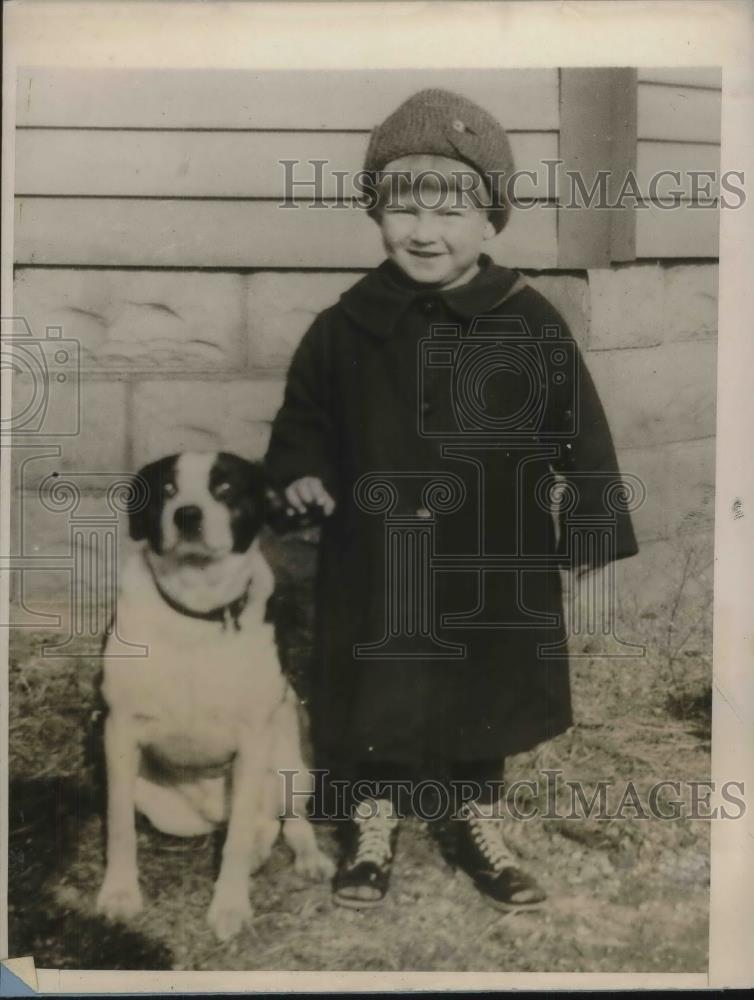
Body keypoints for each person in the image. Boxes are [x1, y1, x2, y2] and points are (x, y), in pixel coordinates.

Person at [265, 88, 638, 910]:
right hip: (378, 556)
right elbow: (304, 421)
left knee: (488, 690)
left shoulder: (528, 321)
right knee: (376, 685)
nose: (424, 231)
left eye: (451, 211)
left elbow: (581, 434)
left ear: (490, 221)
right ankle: (371, 817)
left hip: (494, 555)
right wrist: (299, 471)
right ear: (376, 214)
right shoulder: (344, 327)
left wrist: (587, 537)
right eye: (403, 209)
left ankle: (473, 817)